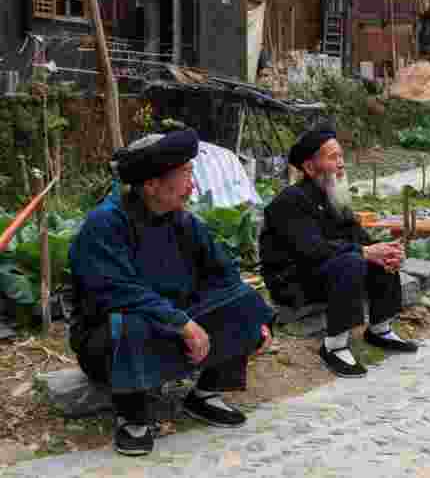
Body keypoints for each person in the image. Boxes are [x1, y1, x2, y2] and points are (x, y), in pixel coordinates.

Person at [68, 129, 275, 457]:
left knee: (244, 300)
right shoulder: (105, 224)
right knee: (131, 320)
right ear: (151, 185)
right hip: (109, 338)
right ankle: (132, 415)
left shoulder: (184, 222)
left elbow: (223, 274)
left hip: (174, 324)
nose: (192, 185)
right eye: (185, 175)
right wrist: (183, 324)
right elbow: (119, 292)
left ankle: (205, 394)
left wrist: (256, 320)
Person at [260, 124, 417, 380]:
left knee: (374, 255)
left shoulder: (334, 197)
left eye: (342, 156)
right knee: (353, 260)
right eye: (333, 157)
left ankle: (380, 328)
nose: (342, 164)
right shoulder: (289, 201)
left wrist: (386, 250)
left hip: (326, 272)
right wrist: (365, 252)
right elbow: (313, 250)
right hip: (294, 281)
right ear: (310, 168)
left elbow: (359, 239)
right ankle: (334, 345)